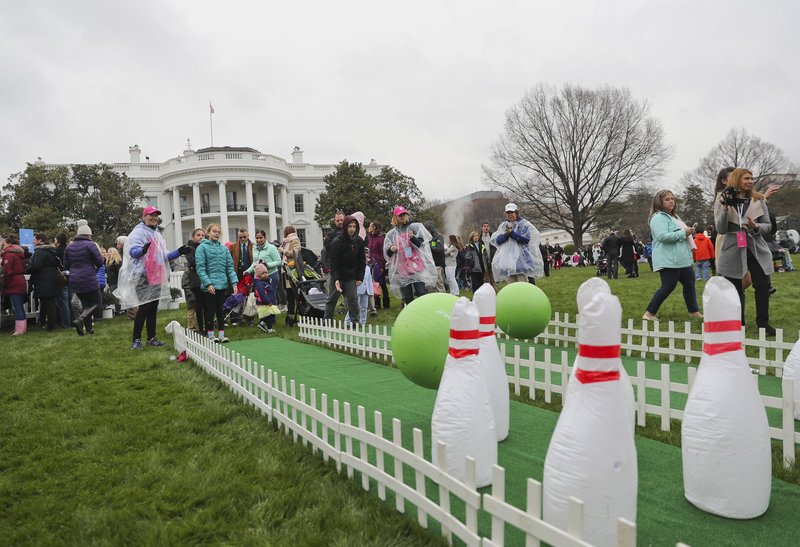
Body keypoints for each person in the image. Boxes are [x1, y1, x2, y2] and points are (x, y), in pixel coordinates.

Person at [116, 207, 188, 349]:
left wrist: (179, 252)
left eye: (156, 215)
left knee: (153, 307)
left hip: (155, 275)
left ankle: (151, 338)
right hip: (142, 275)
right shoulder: (138, 232)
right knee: (144, 308)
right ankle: (136, 340)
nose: (154, 217)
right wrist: (142, 250)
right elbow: (133, 251)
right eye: (151, 215)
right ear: (144, 217)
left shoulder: (156, 234)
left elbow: (163, 255)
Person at [714, 168, 775, 335]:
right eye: (746, 178)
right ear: (736, 180)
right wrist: (725, 209)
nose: (750, 181)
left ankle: (763, 324)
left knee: (762, 285)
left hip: (755, 246)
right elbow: (721, 228)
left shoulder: (758, 199)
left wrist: (756, 226)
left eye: (751, 178)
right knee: (735, 288)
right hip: (733, 246)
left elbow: (768, 225)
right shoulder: (723, 199)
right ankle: (738, 324)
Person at [642, 190, 701, 322]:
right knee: (668, 286)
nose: (671, 201)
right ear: (659, 202)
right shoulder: (658, 218)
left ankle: (694, 311)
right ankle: (649, 313)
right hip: (669, 259)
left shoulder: (675, 217)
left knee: (690, 284)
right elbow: (662, 237)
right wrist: (683, 233)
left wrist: (688, 231)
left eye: (672, 199)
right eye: (667, 199)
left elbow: (680, 233)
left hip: (682, 259)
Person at [383, 206, 436, 305]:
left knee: (421, 292)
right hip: (402, 268)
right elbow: (387, 252)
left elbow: (421, 244)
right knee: (407, 296)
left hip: (416, 266)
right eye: (400, 215)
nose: (402, 217)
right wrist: (391, 249)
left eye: (404, 214)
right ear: (395, 217)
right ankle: (411, 314)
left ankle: (425, 312)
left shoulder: (414, 227)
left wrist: (412, 237)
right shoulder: (391, 234)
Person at [195, 223, 238, 343]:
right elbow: (200, 268)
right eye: (214, 231)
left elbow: (230, 267)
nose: (216, 233)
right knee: (210, 310)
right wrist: (208, 284)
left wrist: (234, 282)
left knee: (220, 310)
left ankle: (221, 334)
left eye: (218, 232)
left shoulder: (224, 249)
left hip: (222, 285)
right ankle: (210, 335)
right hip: (209, 286)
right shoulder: (201, 248)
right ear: (208, 233)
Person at [64, 220, 103, 336]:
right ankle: (80, 319)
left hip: (74, 279)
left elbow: (66, 265)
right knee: (97, 304)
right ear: (89, 235)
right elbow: (100, 262)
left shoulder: (69, 247)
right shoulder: (90, 245)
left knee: (86, 304)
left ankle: (88, 329)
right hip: (88, 277)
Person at [490, 203, 544, 284]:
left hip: (521, 260)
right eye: (508, 213)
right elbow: (497, 241)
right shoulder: (504, 225)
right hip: (508, 261)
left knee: (522, 283)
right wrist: (506, 235)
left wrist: (512, 234)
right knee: (511, 284)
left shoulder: (523, 224)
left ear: (516, 213)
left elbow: (526, 240)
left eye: (512, 212)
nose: (510, 214)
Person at [327, 215, 366, 326]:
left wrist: (360, 277)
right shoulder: (337, 242)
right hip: (338, 274)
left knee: (352, 299)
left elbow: (362, 260)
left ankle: (354, 322)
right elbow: (334, 263)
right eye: (350, 226)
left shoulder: (358, 241)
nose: (352, 229)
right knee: (332, 298)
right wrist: (336, 279)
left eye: (354, 226)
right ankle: (327, 321)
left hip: (351, 275)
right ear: (345, 227)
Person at [28, 233, 61, 331]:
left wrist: (27, 269)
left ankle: (51, 326)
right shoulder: (50, 251)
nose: (33, 241)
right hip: (51, 280)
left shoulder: (40, 251)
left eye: (34, 239)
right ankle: (47, 323)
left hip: (44, 281)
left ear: (40, 240)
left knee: (48, 304)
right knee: (49, 304)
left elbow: (36, 266)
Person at [1, 234, 29, 336]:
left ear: (7, 243)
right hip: (20, 280)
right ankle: (22, 328)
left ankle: (19, 330)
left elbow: (7, 271)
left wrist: (5, 283)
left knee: (16, 307)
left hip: (13, 282)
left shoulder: (8, 254)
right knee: (19, 306)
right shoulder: (19, 253)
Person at [322, 210, 346, 319]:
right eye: (338, 220)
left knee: (351, 296)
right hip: (335, 269)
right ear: (334, 221)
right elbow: (327, 250)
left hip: (349, 269)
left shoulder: (350, 232)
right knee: (332, 296)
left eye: (342, 220)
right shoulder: (330, 235)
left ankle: (351, 319)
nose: (340, 222)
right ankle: (327, 319)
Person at [278, 225, 303, 327]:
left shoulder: (294, 240)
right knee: (289, 295)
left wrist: (283, 251)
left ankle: (295, 316)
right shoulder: (286, 242)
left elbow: (295, 253)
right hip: (286, 270)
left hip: (293, 271)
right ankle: (290, 316)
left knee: (293, 295)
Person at [181, 228, 206, 331]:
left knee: (204, 306)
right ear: (193, 237)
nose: (201, 237)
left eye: (203, 235)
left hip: (204, 279)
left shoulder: (205, 247)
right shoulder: (189, 248)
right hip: (194, 281)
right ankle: (192, 327)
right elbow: (193, 262)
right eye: (198, 235)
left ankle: (204, 326)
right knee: (192, 308)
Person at [366, 221, 389, 311]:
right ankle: (377, 303)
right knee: (374, 284)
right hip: (370, 264)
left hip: (379, 264)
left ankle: (386, 302)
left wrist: (382, 266)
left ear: (374, 227)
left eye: (370, 226)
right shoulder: (369, 238)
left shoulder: (380, 239)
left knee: (382, 284)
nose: (368, 227)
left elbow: (383, 253)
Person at [425, 221, 447, 293]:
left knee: (439, 284)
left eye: (427, 229)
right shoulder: (427, 238)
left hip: (437, 264)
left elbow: (440, 249)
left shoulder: (439, 236)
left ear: (431, 229)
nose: (426, 231)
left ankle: (443, 300)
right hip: (429, 264)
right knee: (431, 284)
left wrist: (430, 246)